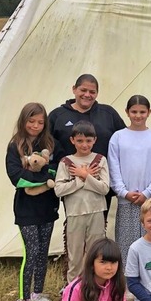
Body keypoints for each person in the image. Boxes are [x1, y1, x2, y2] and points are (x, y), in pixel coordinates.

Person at [5, 102, 61, 301]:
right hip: (26, 209)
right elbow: (16, 177)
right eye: (31, 121)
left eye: (40, 121)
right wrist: (43, 178)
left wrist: (47, 175)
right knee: (32, 252)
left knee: (43, 252)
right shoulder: (15, 146)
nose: (36, 125)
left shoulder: (50, 143)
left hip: (47, 206)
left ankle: (37, 293)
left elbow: (57, 168)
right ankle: (22, 300)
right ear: (23, 121)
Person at [108, 95, 151, 272]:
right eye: (134, 112)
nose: (138, 116)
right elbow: (114, 166)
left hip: (149, 200)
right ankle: (127, 279)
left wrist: (148, 193)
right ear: (127, 112)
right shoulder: (118, 137)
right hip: (127, 198)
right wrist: (123, 192)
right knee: (126, 241)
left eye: (142, 112)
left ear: (149, 112)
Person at [54, 121, 110, 283]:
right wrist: (79, 178)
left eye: (88, 140)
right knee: (75, 254)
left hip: (96, 212)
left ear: (94, 140)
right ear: (72, 140)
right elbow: (59, 190)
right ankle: (73, 288)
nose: (84, 144)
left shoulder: (100, 160)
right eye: (80, 141)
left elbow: (104, 188)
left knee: (96, 252)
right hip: (75, 213)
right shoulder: (66, 162)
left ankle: (95, 287)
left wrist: (86, 176)